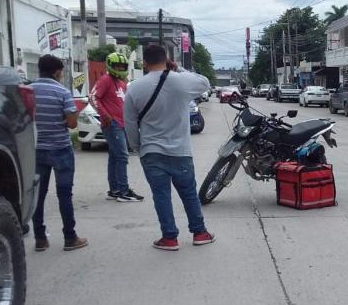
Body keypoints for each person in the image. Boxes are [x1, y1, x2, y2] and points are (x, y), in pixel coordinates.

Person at [124, 44, 215, 251]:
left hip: (151, 152)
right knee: (189, 193)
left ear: (144, 63)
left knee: (161, 196)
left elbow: (129, 124)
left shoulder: (134, 88)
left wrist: (139, 148)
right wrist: (179, 69)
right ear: (166, 60)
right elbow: (205, 83)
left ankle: (169, 238)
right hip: (180, 151)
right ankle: (200, 233)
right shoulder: (181, 82)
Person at [30, 55, 88, 252]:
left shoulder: (27, 91)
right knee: (64, 194)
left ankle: (40, 238)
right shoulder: (62, 92)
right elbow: (72, 123)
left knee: (38, 195)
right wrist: (65, 118)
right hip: (61, 148)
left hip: (36, 149)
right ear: (56, 72)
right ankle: (70, 238)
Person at [89, 52, 144, 202]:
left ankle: (115, 189)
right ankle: (124, 191)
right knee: (122, 156)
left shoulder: (122, 83)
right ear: (110, 66)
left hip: (122, 123)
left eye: (122, 66)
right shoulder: (105, 80)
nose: (120, 68)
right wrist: (104, 114)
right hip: (112, 124)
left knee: (115, 157)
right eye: (117, 65)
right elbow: (93, 97)